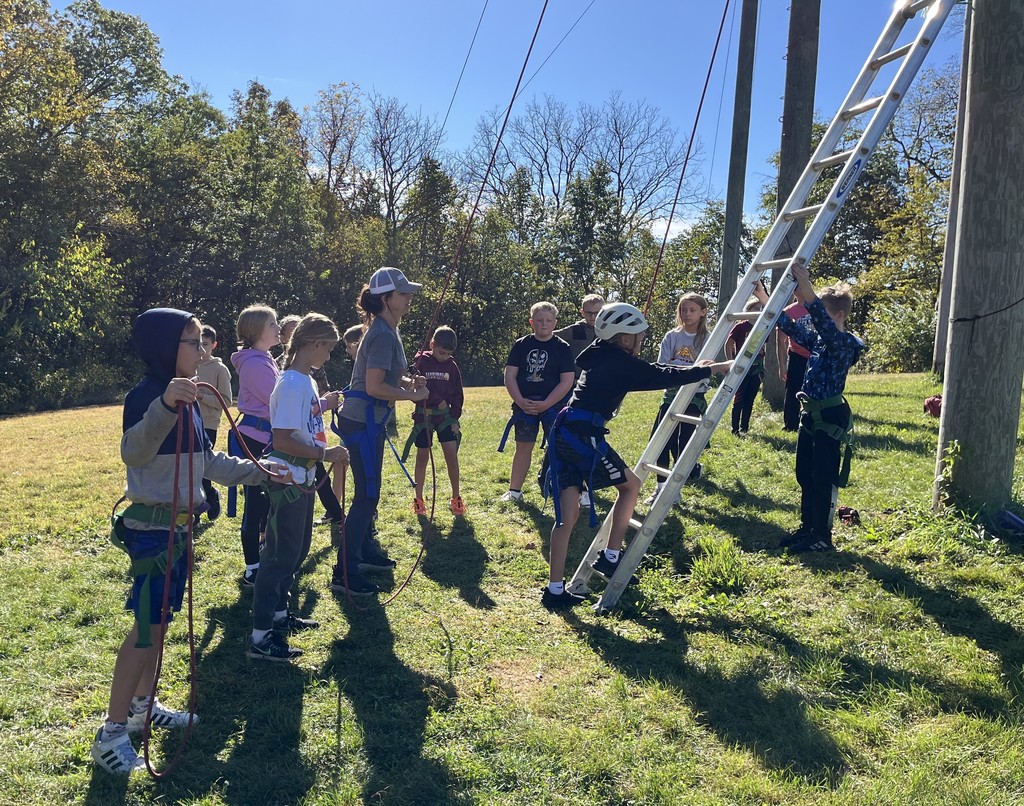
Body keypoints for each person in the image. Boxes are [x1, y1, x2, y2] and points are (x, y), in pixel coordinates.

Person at [92, 308, 284, 774]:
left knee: (158, 624)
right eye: (193, 343)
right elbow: (132, 452)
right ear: (165, 347)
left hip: (178, 531)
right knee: (145, 628)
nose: (202, 352)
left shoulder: (192, 399)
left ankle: (143, 705)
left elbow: (207, 461)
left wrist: (260, 472)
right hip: (151, 533)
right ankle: (111, 732)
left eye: (201, 343)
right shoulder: (147, 396)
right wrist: (164, 405)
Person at [539, 303, 732, 608]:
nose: (642, 339)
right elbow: (660, 375)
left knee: (568, 516)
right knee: (631, 486)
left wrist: (698, 368)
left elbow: (652, 371)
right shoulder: (619, 362)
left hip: (565, 434)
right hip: (582, 436)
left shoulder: (600, 353)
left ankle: (554, 590)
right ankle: (611, 556)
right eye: (639, 334)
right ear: (624, 337)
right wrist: (711, 369)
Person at [248, 313, 350, 662]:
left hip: (302, 476)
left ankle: (279, 616)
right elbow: (283, 439)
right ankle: (260, 637)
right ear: (314, 344)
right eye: (329, 349)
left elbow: (304, 425)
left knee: (296, 550)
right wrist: (326, 453)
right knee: (278, 557)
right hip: (287, 478)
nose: (329, 356)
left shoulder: (304, 381)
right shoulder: (291, 383)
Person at [329, 267, 428, 596]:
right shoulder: (383, 333)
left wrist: (406, 382)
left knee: (370, 491)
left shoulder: (387, 328)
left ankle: (364, 552)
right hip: (362, 423)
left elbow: (383, 377)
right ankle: (344, 572)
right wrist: (412, 395)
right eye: (403, 293)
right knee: (367, 494)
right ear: (386, 299)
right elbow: (373, 387)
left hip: (367, 421)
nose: (409, 297)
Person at [754, 267, 864, 552]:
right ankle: (808, 527)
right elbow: (790, 327)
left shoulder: (844, 344)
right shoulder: (819, 340)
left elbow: (824, 326)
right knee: (804, 473)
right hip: (810, 414)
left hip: (829, 416)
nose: (813, 319)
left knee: (822, 477)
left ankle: (822, 535)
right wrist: (765, 299)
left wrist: (806, 287)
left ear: (839, 315)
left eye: (820, 313)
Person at [498, 301, 575, 503]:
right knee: (523, 446)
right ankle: (514, 491)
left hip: (554, 406)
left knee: (561, 447)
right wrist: (520, 401)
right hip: (525, 406)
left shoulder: (562, 347)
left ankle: (569, 491)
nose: (544, 324)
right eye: (539, 320)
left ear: (555, 323)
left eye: (548, 320)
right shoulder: (521, 345)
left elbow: (567, 380)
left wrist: (547, 403)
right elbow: (510, 375)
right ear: (531, 322)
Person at [231, 305, 282, 587]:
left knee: (265, 503)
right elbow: (278, 401)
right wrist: (320, 404)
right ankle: (252, 567)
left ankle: (263, 552)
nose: (278, 327)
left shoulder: (264, 359)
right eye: (272, 324)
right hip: (255, 440)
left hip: (265, 438)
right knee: (255, 505)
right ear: (257, 330)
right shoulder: (254, 364)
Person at [645, 292, 712, 505]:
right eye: (683, 310)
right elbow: (663, 366)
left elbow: (705, 368)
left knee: (684, 444)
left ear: (703, 312)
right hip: (672, 394)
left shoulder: (708, 338)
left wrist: (685, 371)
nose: (687, 314)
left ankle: (676, 488)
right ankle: (661, 488)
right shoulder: (671, 336)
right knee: (661, 441)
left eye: (692, 310)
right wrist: (686, 371)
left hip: (694, 396)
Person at [405, 325, 466, 516]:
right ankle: (419, 500)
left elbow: (458, 393)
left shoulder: (452, 367)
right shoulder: (421, 362)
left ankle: (456, 498)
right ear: (432, 345)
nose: (444, 357)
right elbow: (412, 386)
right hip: (423, 416)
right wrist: (431, 396)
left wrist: (454, 417)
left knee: (451, 455)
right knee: (422, 456)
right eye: (441, 352)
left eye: (448, 354)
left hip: (445, 417)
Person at [553, 293, 605, 508]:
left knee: (594, 437)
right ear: (582, 312)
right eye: (589, 313)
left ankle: (591, 482)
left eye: (597, 313)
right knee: (576, 437)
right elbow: (550, 337)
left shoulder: (609, 329)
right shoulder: (575, 330)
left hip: (600, 390)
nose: (593, 317)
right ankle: (578, 487)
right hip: (575, 390)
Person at [195, 324, 233, 520]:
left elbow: (226, 401)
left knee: (202, 467)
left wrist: (201, 396)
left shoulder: (219, 369)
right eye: (197, 343)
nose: (201, 349)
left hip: (208, 424)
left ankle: (210, 495)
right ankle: (193, 511)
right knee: (189, 468)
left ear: (214, 345)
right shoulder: (187, 364)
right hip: (187, 421)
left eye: (205, 344)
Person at [725, 298, 766, 436]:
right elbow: (728, 344)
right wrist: (730, 362)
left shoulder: (763, 326)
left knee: (750, 399)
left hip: (756, 368)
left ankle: (745, 428)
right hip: (741, 368)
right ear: (748, 310)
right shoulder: (740, 327)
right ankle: (735, 429)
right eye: (756, 309)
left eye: (761, 309)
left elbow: (763, 347)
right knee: (739, 399)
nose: (759, 312)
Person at [778, 297, 813, 431]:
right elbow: (781, 340)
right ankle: (791, 425)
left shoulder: (819, 307)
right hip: (797, 356)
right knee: (793, 390)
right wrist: (782, 365)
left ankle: (813, 421)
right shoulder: (788, 311)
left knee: (814, 391)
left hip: (816, 355)